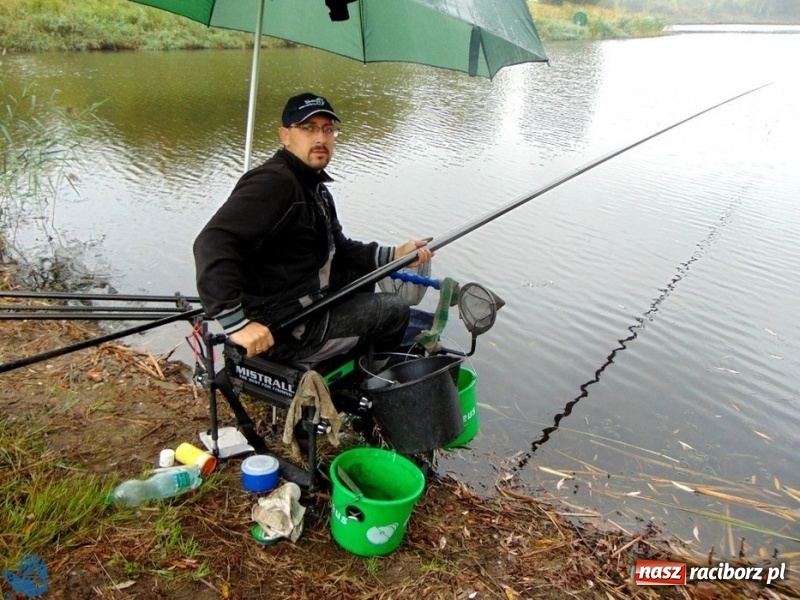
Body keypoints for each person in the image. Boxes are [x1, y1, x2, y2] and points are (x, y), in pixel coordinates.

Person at [193, 92, 432, 365]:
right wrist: (236, 323)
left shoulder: (311, 185)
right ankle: (377, 381)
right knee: (395, 310)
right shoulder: (274, 183)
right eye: (308, 128)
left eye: (328, 129)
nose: (320, 138)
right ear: (285, 135)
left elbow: (339, 250)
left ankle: (350, 357)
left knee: (361, 274)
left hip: (299, 302)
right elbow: (212, 241)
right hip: (284, 329)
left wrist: (397, 253)